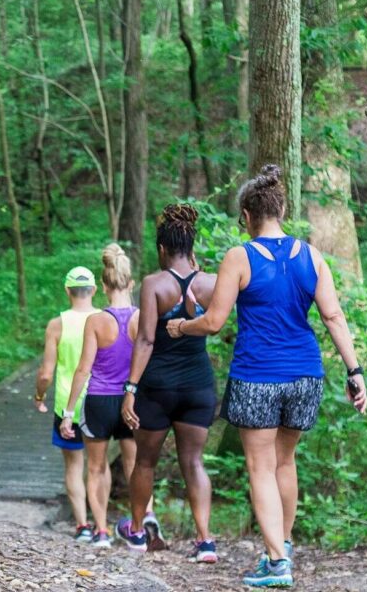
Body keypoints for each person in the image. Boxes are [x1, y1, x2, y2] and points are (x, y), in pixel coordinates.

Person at [166, 164, 367, 588]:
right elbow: (333, 316)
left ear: (246, 215)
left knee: (260, 467)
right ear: (282, 211)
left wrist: (182, 326)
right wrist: (355, 371)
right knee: (284, 461)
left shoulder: (240, 256)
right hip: (305, 375)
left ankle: (277, 563)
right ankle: (282, 548)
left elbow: (214, 321)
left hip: (258, 375)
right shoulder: (312, 256)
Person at [117, 204, 219, 563]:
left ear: (162, 249)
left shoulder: (153, 284)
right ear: (191, 248)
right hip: (198, 386)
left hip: (157, 388)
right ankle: (205, 541)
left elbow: (145, 339)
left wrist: (130, 389)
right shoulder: (211, 283)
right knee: (194, 462)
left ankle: (137, 532)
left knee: (145, 462)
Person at [59, 244, 157, 549]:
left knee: (96, 468)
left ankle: (101, 531)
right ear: (131, 283)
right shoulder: (142, 318)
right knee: (136, 464)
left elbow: (83, 369)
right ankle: (141, 523)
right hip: (131, 401)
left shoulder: (96, 321)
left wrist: (68, 412)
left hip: (99, 401)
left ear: (103, 287)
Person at [34, 266, 99, 544]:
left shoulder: (57, 324)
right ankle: (103, 527)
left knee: (74, 465)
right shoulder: (105, 319)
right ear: (94, 290)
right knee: (99, 466)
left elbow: (46, 374)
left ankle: (83, 526)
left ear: (67, 290)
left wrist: (39, 397)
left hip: (67, 406)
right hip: (100, 400)